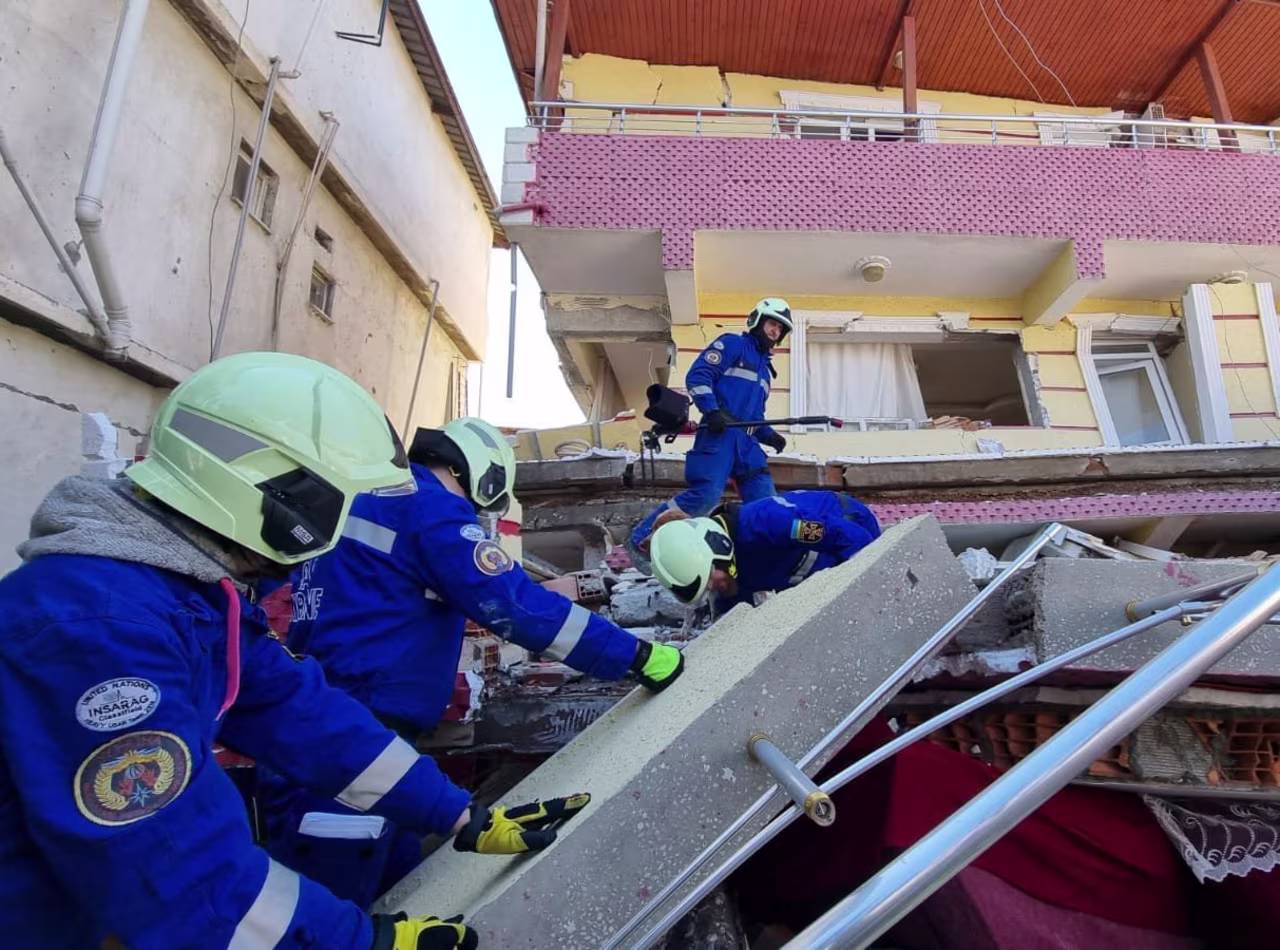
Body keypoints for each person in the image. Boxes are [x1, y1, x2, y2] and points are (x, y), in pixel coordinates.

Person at [0, 352, 587, 950]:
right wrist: (358, 941)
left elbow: (301, 716)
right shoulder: (97, 630)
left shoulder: (189, 596)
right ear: (278, 496)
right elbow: (175, 869)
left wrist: (460, 815)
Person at [262, 416, 686, 908]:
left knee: (397, 900)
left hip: (338, 734)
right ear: (480, 475)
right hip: (357, 740)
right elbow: (513, 606)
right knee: (333, 914)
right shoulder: (427, 509)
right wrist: (634, 655)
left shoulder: (359, 506)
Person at [629, 298, 794, 562]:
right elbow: (698, 376)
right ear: (757, 321)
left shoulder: (765, 372)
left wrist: (768, 435)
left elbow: (754, 415)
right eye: (772, 324)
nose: (775, 331)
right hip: (719, 434)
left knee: (766, 504)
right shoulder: (732, 344)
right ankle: (642, 540)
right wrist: (712, 410)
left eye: (780, 329)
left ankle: (763, 560)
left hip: (748, 445)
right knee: (706, 494)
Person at [647, 490, 882, 610]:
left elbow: (849, 536)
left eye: (710, 579)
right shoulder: (723, 568)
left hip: (851, 523)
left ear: (718, 549)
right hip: (805, 569)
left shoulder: (770, 523)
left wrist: (870, 588)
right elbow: (731, 617)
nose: (713, 587)